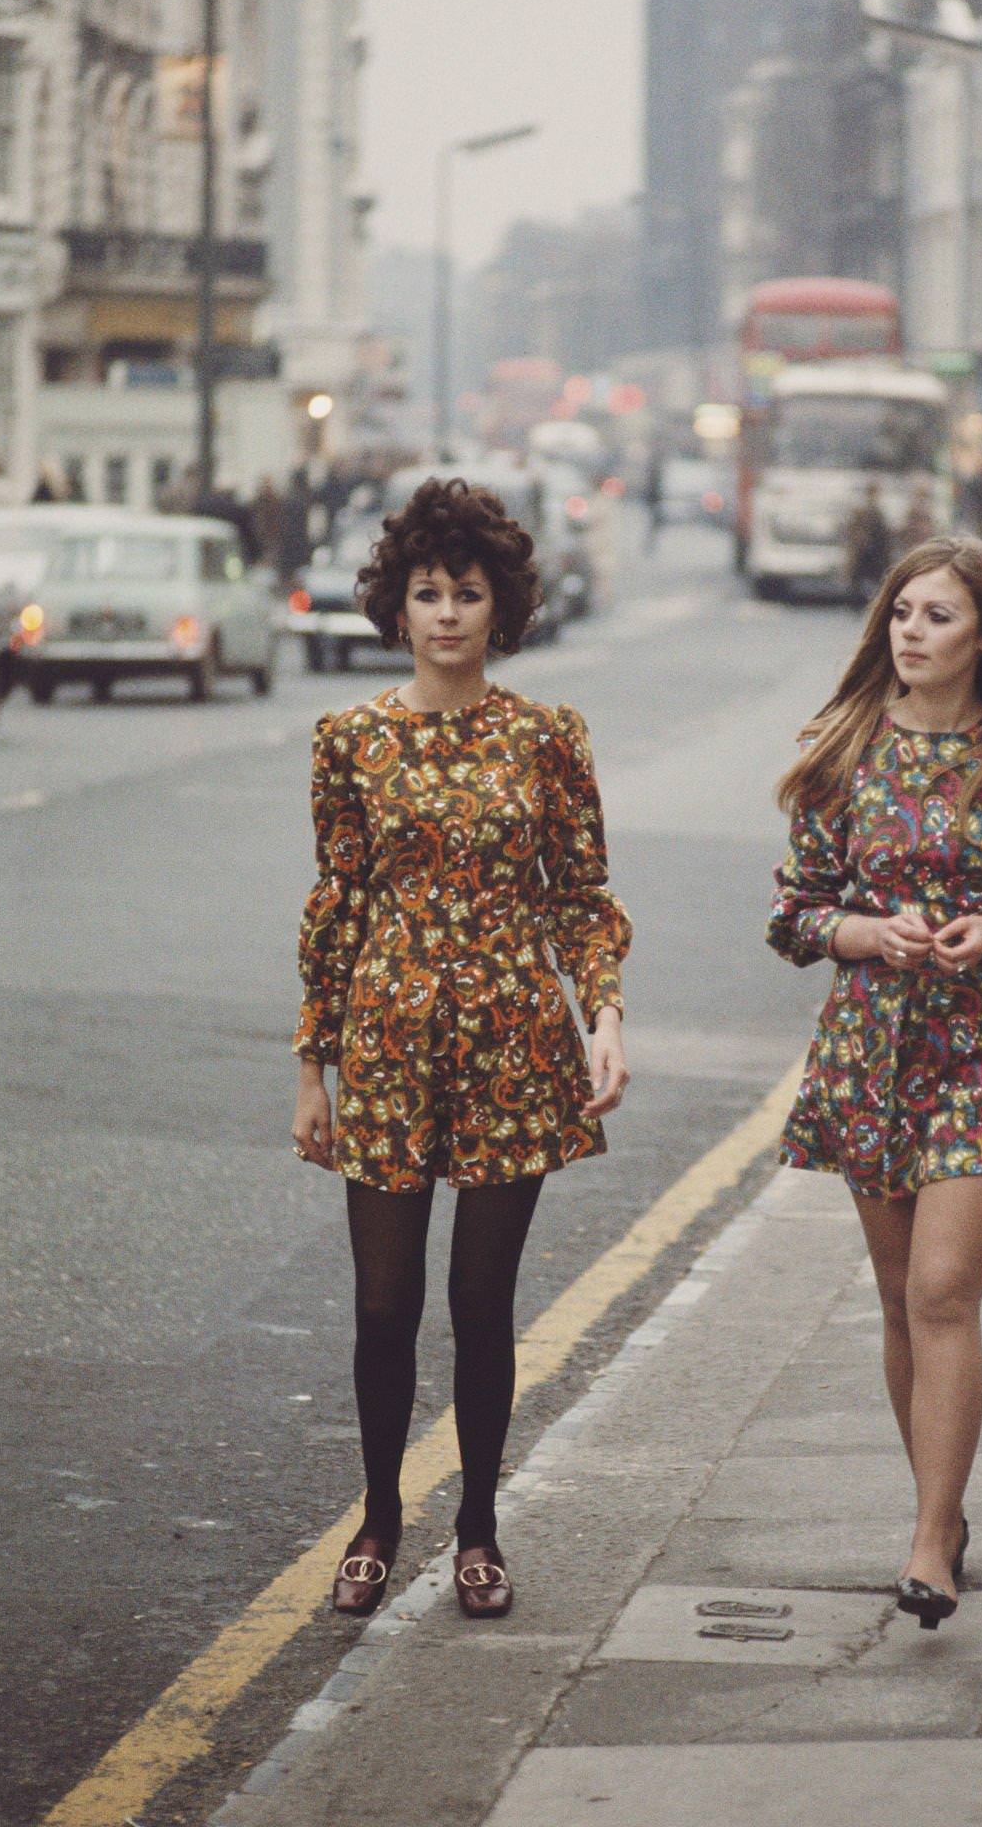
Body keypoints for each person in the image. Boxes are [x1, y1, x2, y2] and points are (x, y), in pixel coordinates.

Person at [290, 477, 631, 1620]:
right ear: (397, 606)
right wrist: (310, 1066)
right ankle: (379, 1515)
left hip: (513, 1048)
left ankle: (478, 1523)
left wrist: (606, 1018)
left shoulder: (544, 737)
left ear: (501, 607)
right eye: (427, 592)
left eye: (466, 592)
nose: (445, 612)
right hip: (383, 1044)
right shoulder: (350, 740)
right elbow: (336, 902)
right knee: (382, 1306)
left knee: (481, 1303)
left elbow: (579, 895)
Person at [767, 536, 982, 1632]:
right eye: (901, 613)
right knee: (894, 1299)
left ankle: (926, 1545)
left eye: (935, 617)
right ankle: (943, 1507)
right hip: (871, 1048)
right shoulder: (842, 753)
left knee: (941, 1289)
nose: (909, 632)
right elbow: (793, 913)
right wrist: (867, 931)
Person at [842, 481, 892, 606]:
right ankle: (857, 602)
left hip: (877, 549)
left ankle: (870, 601)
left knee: (876, 576)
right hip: (864, 549)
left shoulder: (879, 510)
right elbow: (854, 529)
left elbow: (884, 533)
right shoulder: (862, 510)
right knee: (860, 577)